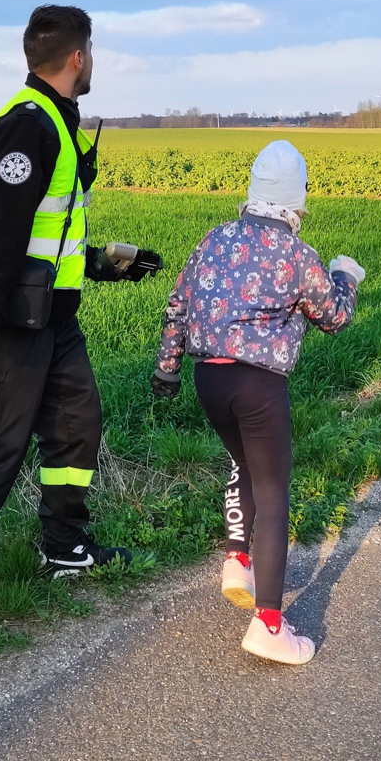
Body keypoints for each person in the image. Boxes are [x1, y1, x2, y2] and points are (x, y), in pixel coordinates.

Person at [0, 4, 163, 607]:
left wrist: (101, 263)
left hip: (51, 319)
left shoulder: (58, 120)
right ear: (78, 57)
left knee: (75, 426)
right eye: (93, 53)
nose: (93, 63)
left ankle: (64, 547)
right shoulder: (29, 126)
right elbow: (0, 230)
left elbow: (47, 231)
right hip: (5, 323)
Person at [150, 140, 364, 665]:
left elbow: (178, 305)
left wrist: (167, 368)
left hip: (209, 380)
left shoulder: (215, 237)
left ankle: (238, 559)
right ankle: (269, 625)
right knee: (273, 494)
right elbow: (334, 317)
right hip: (259, 386)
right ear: (297, 198)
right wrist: (346, 277)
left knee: (242, 462)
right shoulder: (297, 254)